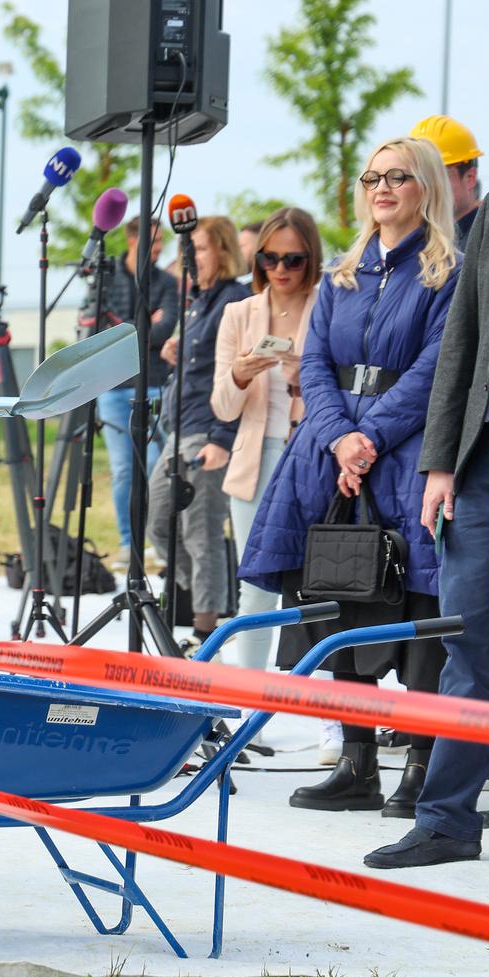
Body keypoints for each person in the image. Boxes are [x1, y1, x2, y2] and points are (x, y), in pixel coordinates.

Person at [241, 137, 459, 815]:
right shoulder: (340, 274)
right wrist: (339, 439)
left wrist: (372, 437)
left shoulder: (445, 273)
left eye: (397, 177)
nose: (382, 187)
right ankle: (357, 764)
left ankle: (419, 768)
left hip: (406, 454)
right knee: (332, 593)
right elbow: (312, 366)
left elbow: (435, 368)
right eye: (372, 178)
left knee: (421, 608)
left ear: (425, 187)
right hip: (330, 457)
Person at [364, 161, 489, 868]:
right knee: (470, 644)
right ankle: (447, 821)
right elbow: (461, 342)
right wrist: (439, 459)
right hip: (487, 463)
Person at [210, 208, 323, 682]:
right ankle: (247, 701)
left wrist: (303, 380)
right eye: (270, 258)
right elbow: (221, 407)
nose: (280, 269)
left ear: (310, 258)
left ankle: (331, 721)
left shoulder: (330, 305)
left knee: (320, 589)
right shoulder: (239, 313)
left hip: (315, 460)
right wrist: (239, 373)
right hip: (254, 463)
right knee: (255, 589)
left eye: (293, 259)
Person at [145, 216, 249, 649]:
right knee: (157, 523)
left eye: (199, 250)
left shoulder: (235, 301)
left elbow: (239, 374)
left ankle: (207, 630)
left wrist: (221, 438)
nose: (188, 259)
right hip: (178, 429)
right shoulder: (197, 302)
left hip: (206, 430)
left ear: (222, 252)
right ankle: (205, 599)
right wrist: (176, 351)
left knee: (200, 529)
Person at [86, 216, 179, 570]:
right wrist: (145, 326)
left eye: (159, 243)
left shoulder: (168, 282)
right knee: (124, 469)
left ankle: (153, 538)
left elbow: (164, 328)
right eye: (151, 242)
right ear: (130, 240)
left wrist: (131, 328)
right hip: (112, 387)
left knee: (156, 464)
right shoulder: (105, 279)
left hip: (155, 383)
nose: (156, 250)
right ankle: (128, 542)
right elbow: (102, 331)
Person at [410, 114, 483, 247]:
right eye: (418, 175)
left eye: (437, 175)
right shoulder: (415, 239)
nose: (425, 185)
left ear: (470, 178)